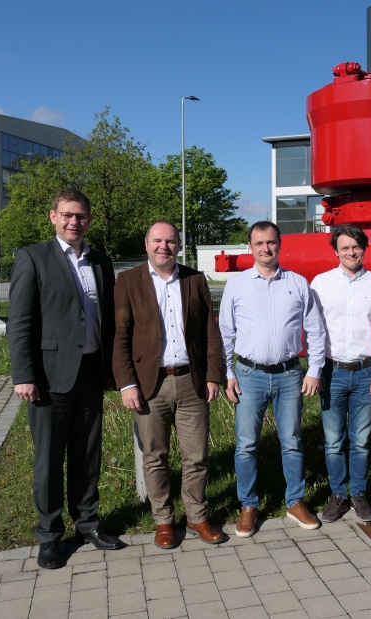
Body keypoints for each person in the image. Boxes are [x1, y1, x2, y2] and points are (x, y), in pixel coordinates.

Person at [8, 188, 123, 570]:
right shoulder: (33, 258)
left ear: (89, 219)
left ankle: (87, 524)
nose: (75, 222)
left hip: (90, 372)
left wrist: (111, 370)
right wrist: (24, 374)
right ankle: (49, 535)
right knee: (49, 460)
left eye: (81, 216)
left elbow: (106, 318)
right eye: (68, 215)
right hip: (49, 377)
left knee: (88, 455)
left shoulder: (100, 261)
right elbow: (20, 321)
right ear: (53, 216)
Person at [113, 220, 226, 549]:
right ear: (146, 243)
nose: (164, 246)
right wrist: (127, 384)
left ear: (179, 245)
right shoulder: (128, 281)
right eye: (157, 240)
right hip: (150, 385)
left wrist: (213, 375)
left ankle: (196, 516)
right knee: (155, 457)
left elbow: (210, 332)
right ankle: (163, 520)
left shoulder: (195, 279)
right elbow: (120, 336)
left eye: (171, 241)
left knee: (197, 456)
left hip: (192, 381)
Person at [219, 221, 326, 537]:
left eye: (271, 242)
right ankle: (248, 505)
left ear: (279, 245)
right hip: (248, 375)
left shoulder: (298, 283)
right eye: (259, 243)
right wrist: (227, 373)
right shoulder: (237, 285)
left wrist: (315, 369)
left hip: (289, 374)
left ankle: (295, 501)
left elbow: (315, 330)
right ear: (250, 247)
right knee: (246, 444)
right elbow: (225, 333)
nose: (265, 249)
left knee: (292, 441)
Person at [310, 225, 371, 523]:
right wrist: (315, 369)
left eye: (356, 247)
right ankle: (338, 494)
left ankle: (358, 493)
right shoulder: (320, 283)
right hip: (331, 371)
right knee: (333, 440)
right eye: (345, 247)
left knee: (360, 439)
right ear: (336, 251)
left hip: (365, 372)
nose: (351, 252)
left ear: (364, 249)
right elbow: (313, 329)